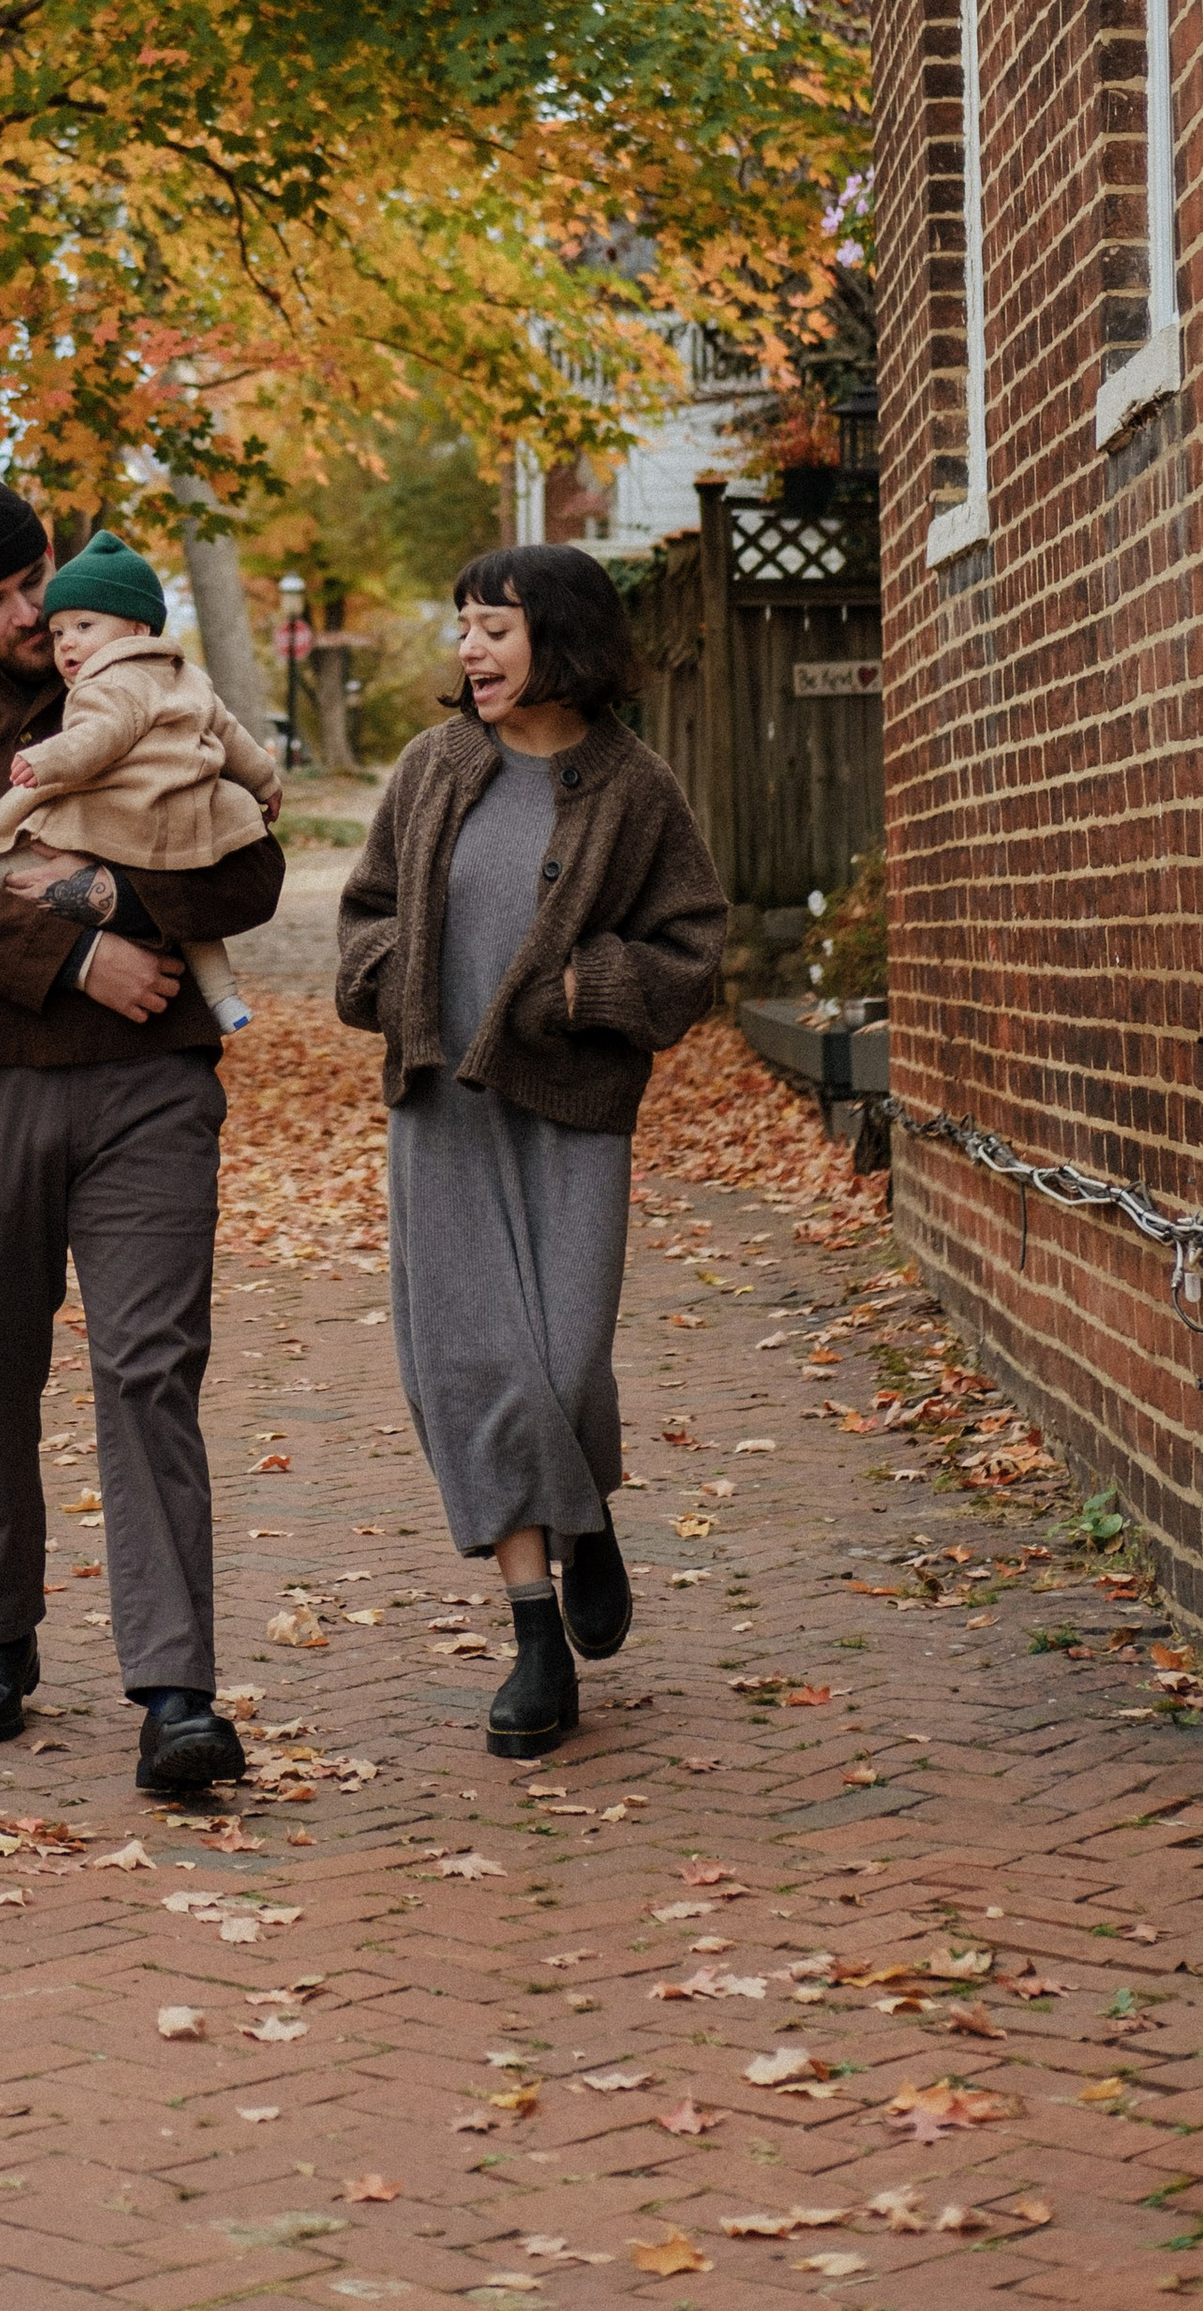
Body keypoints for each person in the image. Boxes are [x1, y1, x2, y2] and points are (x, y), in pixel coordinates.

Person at [0, 475, 285, 1797]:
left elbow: (254, 866)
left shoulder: (157, 687)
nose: (34, 614)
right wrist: (80, 958)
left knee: (151, 1369)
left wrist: (104, 894)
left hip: (150, 1083)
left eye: (36, 580)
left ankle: (177, 1691)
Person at [336, 540, 725, 1760]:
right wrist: (389, 976)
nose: (469, 648)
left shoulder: (635, 787)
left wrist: (585, 988)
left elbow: (692, 949)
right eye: (462, 626)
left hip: (567, 1112)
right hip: (442, 1114)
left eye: (493, 627)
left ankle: (585, 1513)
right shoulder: (432, 766)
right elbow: (365, 914)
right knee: (473, 1367)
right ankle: (533, 1638)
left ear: (559, 637)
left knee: (563, 1365)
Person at [0, 528, 282, 1033]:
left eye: (84, 625)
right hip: (178, 814)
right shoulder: (187, 675)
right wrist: (265, 783)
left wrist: (47, 758)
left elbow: (98, 737)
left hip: (120, 814)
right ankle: (225, 1000)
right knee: (187, 922)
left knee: (4, 852)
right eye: (59, 632)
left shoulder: (111, 682)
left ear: (138, 628)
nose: (67, 642)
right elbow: (230, 733)